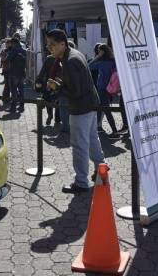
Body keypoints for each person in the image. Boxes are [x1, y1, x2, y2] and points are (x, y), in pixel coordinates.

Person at [45, 29, 105, 193]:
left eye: (52, 45)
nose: (49, 48)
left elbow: (75, 91)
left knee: (79, 145)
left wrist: (57, 88)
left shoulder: (70, 60)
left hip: (80, 107)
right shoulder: (74, 53)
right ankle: (102, 171)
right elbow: (77, 84)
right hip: (90, 104)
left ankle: (81, 183)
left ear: (63, 44)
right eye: (48, 44)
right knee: (93, 139)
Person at [89, 44, 119, 138]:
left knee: (106, 110)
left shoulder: (102, 63)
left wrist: (97, 57)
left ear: (102, 52)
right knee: (100, 107)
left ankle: (115, 132)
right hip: (110, 88)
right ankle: (97, 127)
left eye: (99, 51)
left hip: (102, 88)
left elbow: (88, 66)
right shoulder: (113, 61)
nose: (98, 52)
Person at [35, 52, 61, 126]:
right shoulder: (62, 59)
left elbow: (43, 71)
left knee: (48, 100)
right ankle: (57, 118)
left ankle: (50, 115)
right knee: (58, 100)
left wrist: (39, 79)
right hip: (58, 83)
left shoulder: (49, 58)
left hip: (49, 82)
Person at [7, 38, 26, 112]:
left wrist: (8, 52)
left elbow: (8, 58)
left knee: (14, 90)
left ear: (14, 43)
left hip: (14, 73)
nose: (10, 45)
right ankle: (22, 106)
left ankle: (13, 107)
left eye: (11, 43)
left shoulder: (14, 50)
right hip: (21, 73)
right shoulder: (23, 50)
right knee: (21, 90)